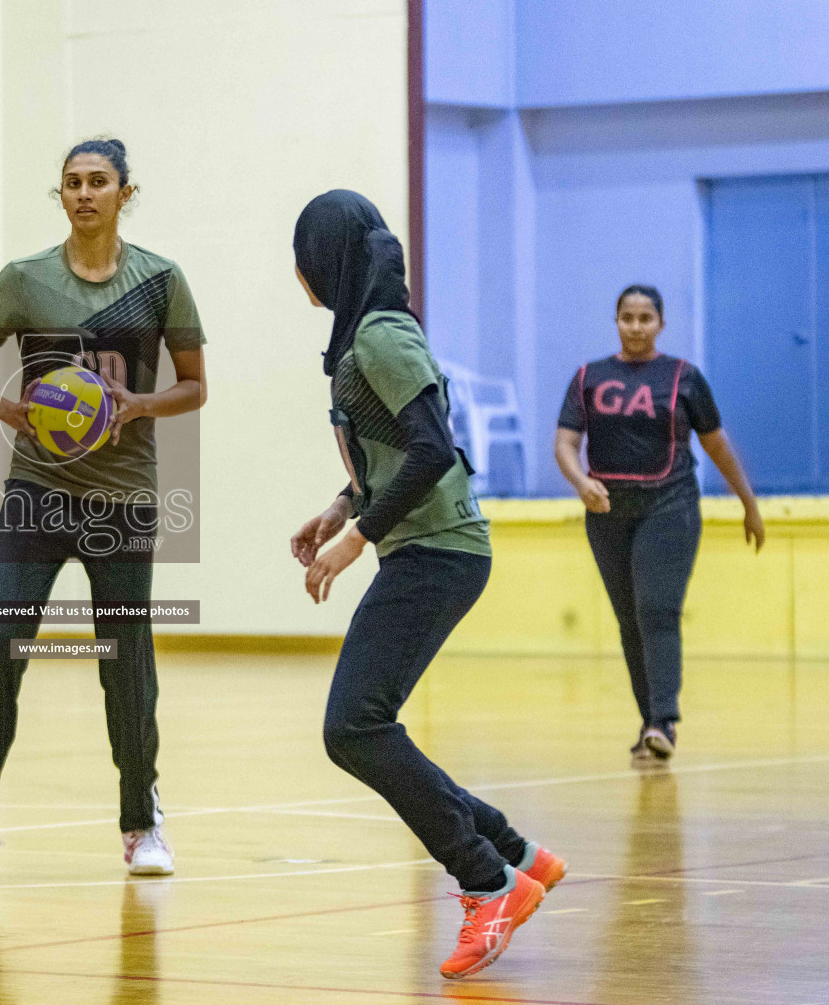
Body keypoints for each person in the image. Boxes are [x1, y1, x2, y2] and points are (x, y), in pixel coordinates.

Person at [289, 191, 564, 980]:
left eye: (304, 250)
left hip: (438, 552)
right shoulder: (358, 339)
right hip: (424, 547)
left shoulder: (382, 334)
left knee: (354, 727)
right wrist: (339, 505)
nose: (297, 269)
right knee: (367, 724)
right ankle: (517, 855)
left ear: (328, 258)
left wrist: (355, 541)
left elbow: (434, 447)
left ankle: (488, 881)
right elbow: (392, 453)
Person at [0, 138, 208, 883]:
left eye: (98, 182)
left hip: (124, 499)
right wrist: (9, 409)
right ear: (60, 196)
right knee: (3, 649)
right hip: (38, 493)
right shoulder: (24, 280)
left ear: (125, 192)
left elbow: (194, 387)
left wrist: (139, 404)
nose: (84, 193)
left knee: (126, 663)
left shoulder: (160, 281)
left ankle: (141, 824)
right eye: (71, 184)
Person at [555, 284, 763, 764]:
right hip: (606, 511)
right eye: (627, 317)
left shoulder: (684, 377)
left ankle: (664, 720)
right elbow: (565, 444)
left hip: (669, 505)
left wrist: (747, 502)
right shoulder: (588, 377)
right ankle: (650, 720)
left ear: (661, 324)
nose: (635, 326)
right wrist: (578, 481)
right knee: (629, 619)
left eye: (645, 318)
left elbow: (716, 444)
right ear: (616, 321)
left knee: (656, 610)